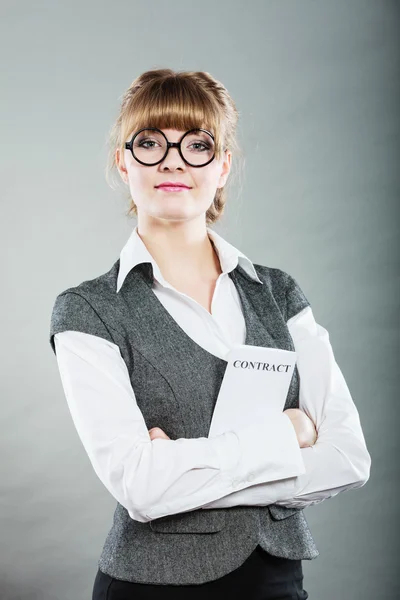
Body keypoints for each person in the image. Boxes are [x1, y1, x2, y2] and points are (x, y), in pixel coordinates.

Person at [49, 68, 371, 599]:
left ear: (222, 167)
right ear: (123, 162)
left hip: (276, 584)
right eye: (150, 142)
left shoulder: (279, 293)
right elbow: (141, 486)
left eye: (197, 144)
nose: (173, 160)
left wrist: (183, 469)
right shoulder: (87, 311)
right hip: (149, 588)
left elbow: (348, 458)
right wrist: (287, 435)